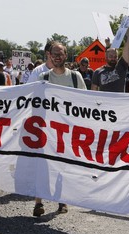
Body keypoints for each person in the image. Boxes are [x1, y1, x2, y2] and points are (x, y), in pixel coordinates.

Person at [33, 42, 86, 217]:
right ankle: (38, 202)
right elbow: (35, 104)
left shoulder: (75, 77)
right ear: (49, 55)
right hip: (47, 130)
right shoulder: (43, 78)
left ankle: (62, 200)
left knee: (63, 167)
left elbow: (85, 102)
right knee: (42, 165)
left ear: (66, 55)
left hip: (67, 132)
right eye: (54, 54)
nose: (57, 56)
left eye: (60, 53)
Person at [91, 27, 129, 93]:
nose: (113, 58)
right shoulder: (98, 72)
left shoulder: (121, 67)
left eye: (115, 56)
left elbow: (127, 46)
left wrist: (128, 28)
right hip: (104, 102)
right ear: (106, 57)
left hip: (119, 102)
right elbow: (93, 90)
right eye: (111, 56)